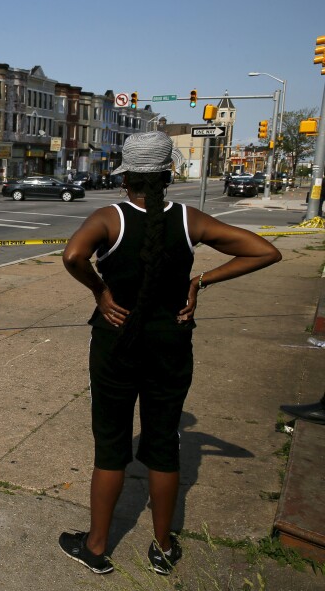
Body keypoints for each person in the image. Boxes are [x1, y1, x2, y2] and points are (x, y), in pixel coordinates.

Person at [58, 131, 282, 576]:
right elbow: (265, 251)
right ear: (167, 175)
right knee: (163, 447)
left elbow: (72, 256)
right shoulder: (189, 219)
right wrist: (201, 281)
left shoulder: (110, 218)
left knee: (111, 446)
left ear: (126, 181)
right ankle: (162, 548)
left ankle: (97, 546)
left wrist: (101, 291)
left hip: (116, 344)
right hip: (172, 344)